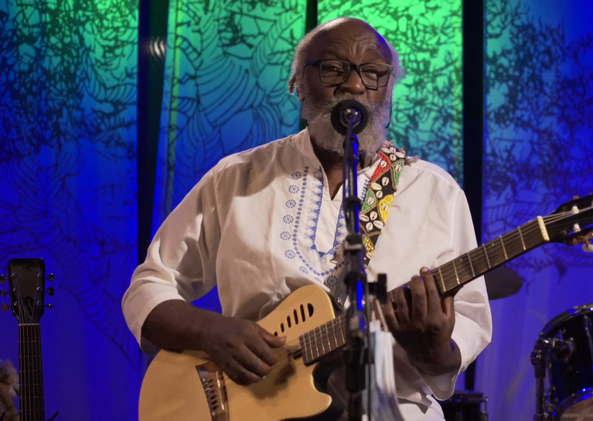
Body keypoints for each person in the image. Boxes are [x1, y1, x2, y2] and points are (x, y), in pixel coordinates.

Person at [122, 17, 492, 420]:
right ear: (297, 82)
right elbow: (149, 287)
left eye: (373, 73)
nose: (354, 86)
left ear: (389, 89)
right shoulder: (237, 177)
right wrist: (211, 332)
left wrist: (434, 349)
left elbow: (459, 341)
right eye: (333, 69)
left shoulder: (437, 192)